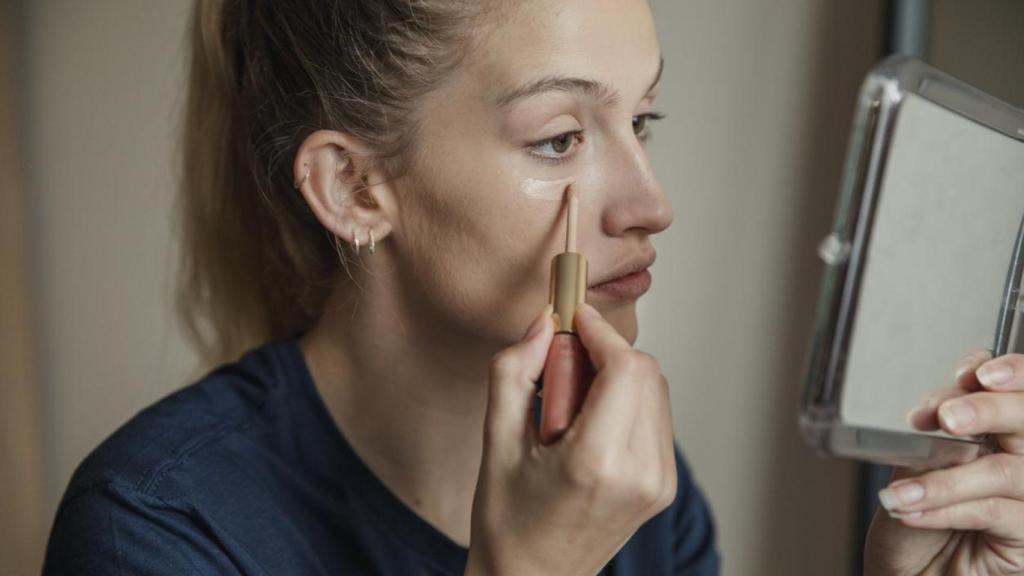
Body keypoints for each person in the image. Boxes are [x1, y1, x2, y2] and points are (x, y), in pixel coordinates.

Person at [41, 0, 1024, 574]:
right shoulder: (160, 526)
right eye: (559, 138)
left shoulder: (638, 487)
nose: (651, 205)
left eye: (642, 122)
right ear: (352, 188)